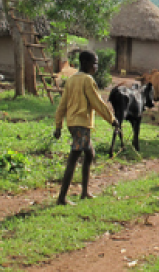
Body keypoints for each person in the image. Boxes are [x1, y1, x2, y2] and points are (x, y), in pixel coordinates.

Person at [54, 50, 118, 206]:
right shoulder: (87, 80)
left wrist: (58, 125)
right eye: (95, 63)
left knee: (89, 154)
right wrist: (112, 119)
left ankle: (84, 192)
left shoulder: (71, 80)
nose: (96, 66)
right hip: (81, 124)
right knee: (74, 157)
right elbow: (97, 102)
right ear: (86, 64)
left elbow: (62, 105)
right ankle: (62, 198)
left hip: (72, 123)